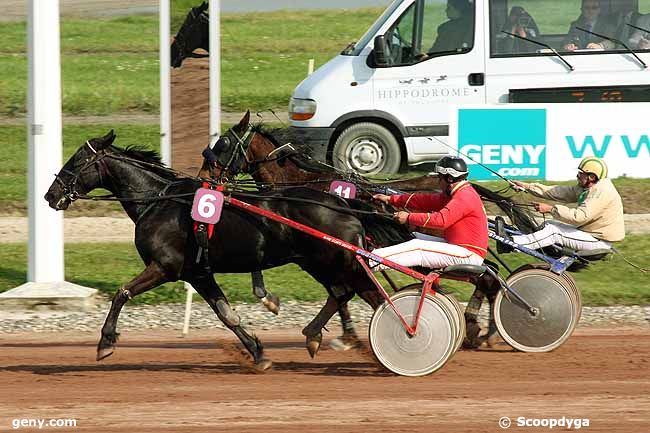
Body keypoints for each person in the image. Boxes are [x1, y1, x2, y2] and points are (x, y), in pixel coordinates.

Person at [371, 156, 488, 271]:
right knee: (411, 237)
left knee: (417, 246)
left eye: (439, 178)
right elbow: (425, 201)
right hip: (458, 247)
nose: (438, 182)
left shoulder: (464, 196)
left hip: (468, 254)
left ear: (449, 179)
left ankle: (371, 260)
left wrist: (409, 217)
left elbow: (441, 220)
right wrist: (391, 199)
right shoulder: (456, 193)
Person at [503, 156, 624, 253]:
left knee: (553, 231)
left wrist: (551, 209)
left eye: (581, 173)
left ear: (591, 177)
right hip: (590, 234)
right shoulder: (588, 187)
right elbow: (558, 192)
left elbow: (579, 217)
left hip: (598, 241)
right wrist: (526, 186)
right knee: (548, 224)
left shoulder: (601, 191)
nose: (578, 175)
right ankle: (529, 243)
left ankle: (512, 243)